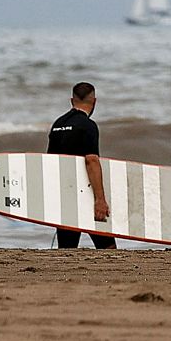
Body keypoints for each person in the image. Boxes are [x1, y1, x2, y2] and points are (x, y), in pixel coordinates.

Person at [47, 82, 115, 249]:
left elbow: (50, 163)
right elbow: (91, 161)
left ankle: (64, 275)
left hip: (65, 196)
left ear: (72, 100)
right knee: (107, 247)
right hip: (85, 194)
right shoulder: (88, 126)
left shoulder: (57, 124)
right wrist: (100, 200)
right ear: (94, 101)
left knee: (67, 249)